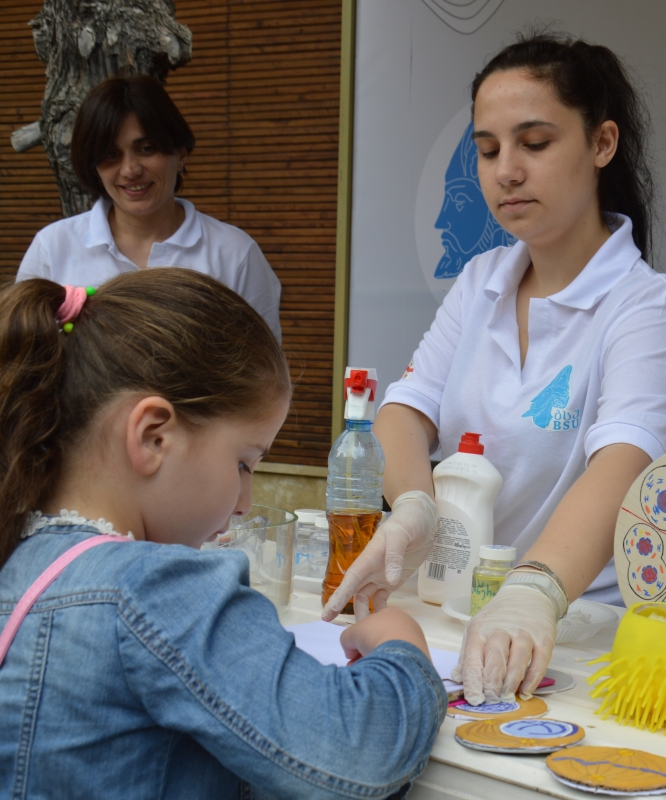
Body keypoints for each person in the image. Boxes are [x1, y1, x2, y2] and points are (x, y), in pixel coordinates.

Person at [322, 34, 666, 704]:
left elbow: (622, 466)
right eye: (489, 148)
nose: (506, 171)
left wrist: (535, 590)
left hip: (578, 627)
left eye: (534, 143)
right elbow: (405, 411)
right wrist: (414, 506)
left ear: (601, 144)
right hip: (454, 611)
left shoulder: (645, 308)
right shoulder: (481, 281)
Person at [0, 270, 443, 797]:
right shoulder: (157, 590)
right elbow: (355, 751)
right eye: (243, 463)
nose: (245, 503)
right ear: (153, 437)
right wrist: (402, 647)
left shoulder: (18, 560)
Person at [16, 76, 282, 340]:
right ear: (94, 167)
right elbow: (22, 355)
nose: (130, 170)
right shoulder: (52, 248)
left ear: (180, 154)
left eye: (146, 149)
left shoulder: (235, 253)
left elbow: (263, 362)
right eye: (111, 154)